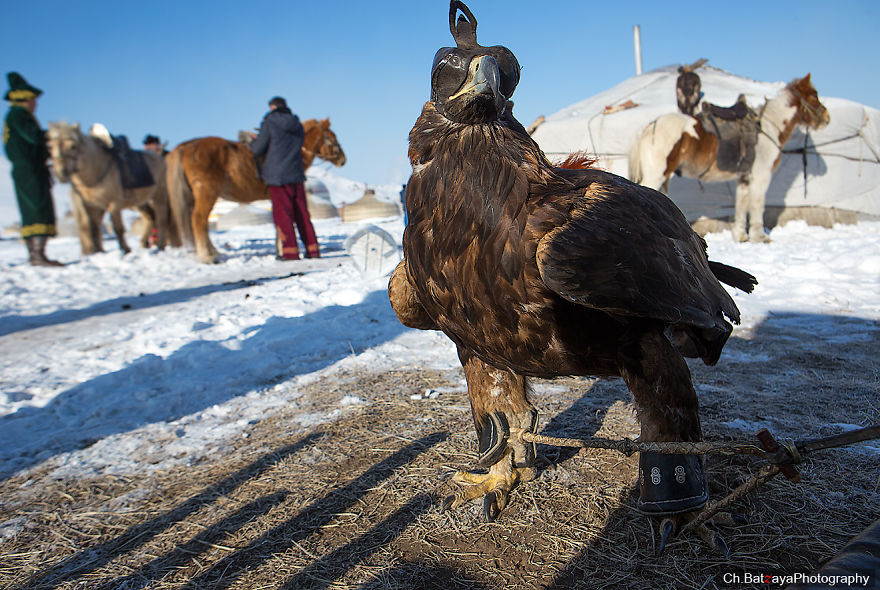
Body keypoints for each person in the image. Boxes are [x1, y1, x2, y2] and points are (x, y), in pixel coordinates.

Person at [3, 72, 62, 266]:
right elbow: (33, 137)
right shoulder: (19, 115)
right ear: (25, 99)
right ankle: (37, 254)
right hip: (30, 168)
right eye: (33, 100)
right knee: (38, 208)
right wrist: (53, 136)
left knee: (33, 207)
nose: (35, 104)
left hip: (27, 168)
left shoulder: (14, 115)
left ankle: (36, 254)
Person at [250, 96, 319, 260]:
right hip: (296, 174)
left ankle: (290, 253)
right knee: (302, 214)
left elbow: (258, 149)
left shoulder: (270, 122)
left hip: (277, 177)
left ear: (272, 107)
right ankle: (313, 250)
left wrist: (254, 141)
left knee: (283, 215)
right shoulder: (297, 124)